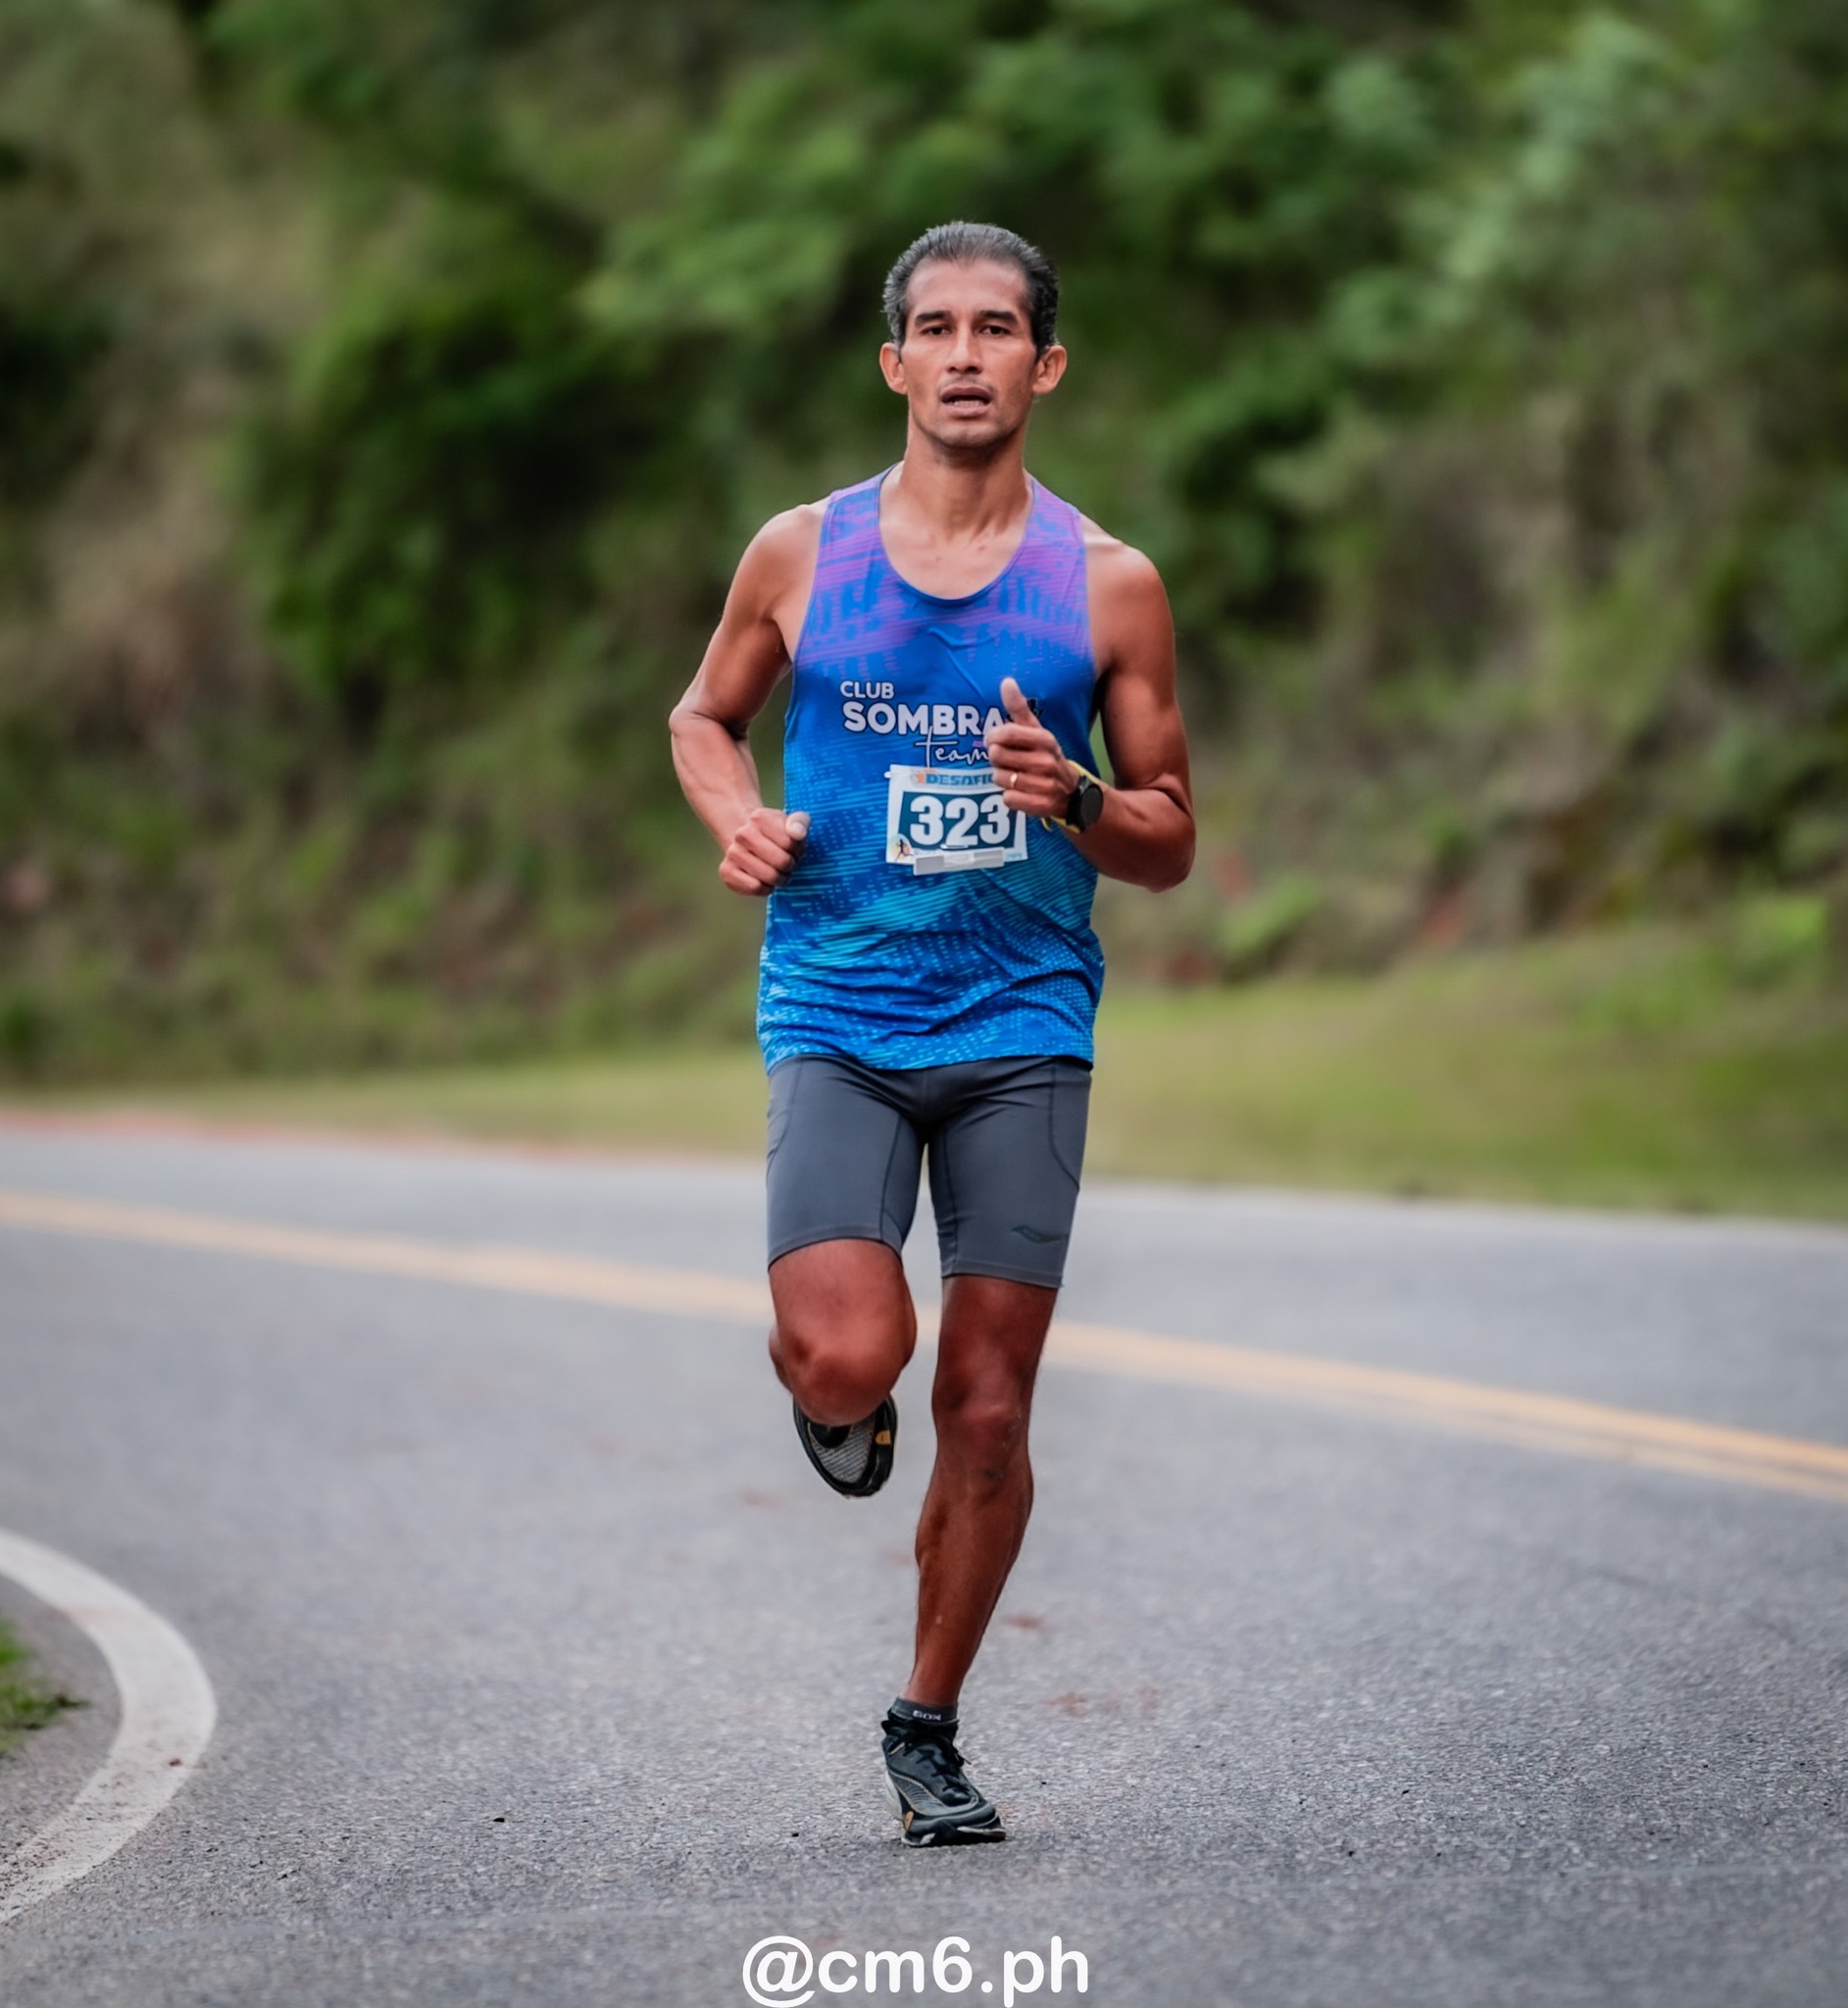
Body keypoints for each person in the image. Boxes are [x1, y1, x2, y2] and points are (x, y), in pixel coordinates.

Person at [669, 221, 1194, 1845]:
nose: (967, 354)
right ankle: (836, 1399)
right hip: (838, 1005)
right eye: (939, 328)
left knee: (989, 1404)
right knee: (852, 1351)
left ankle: (926, 1725)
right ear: (893, 361)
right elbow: (704, 719)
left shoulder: (1107, 584)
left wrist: (1078, 796)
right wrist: (737, 817)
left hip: (1021, 1019)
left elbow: (1169, 835)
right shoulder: (798, 555)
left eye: (998, 328)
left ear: (1047, 363)